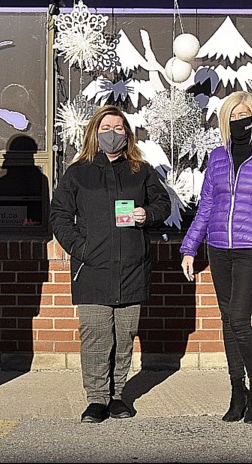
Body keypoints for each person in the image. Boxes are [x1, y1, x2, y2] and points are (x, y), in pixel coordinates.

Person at [50, 105, 172, 424]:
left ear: (127, 135)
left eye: (119, 128)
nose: (113, 134)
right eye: (107, 127)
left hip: (132, 266)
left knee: (124, 334)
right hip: (93, 268)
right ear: (94, 131)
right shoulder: (79, 172)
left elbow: (162, 203)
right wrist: (81, 247)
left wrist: (149, 214)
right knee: (95, 334)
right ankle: (96, 399)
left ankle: (117, 396)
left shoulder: (140, 171)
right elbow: (59, 215)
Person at [179, 91, 252, 424]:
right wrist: (189, 247)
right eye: (232, 116)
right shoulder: (217, 158)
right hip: (219, 248)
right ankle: (236, 389)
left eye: (244, 115)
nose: (238, 121)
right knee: (228, 320)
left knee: (240, 318)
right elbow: (207, 207)